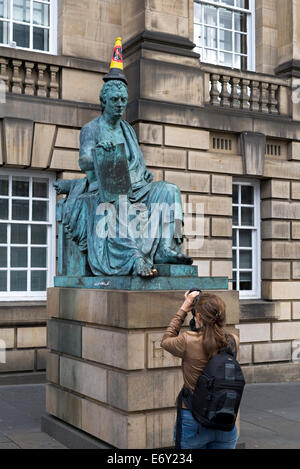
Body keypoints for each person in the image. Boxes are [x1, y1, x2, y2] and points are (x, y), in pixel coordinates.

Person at [54, 38, 192, 279]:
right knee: (119, 202)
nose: (119, 105)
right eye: (114, 100)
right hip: (106, 188)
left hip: (136, 186)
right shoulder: (92, 129)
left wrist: (144, 174)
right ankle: (134, 258)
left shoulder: (128, 129)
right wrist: (99, 152)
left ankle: (165, 248)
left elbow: (136, 163)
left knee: (170, 190)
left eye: (122, 100)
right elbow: (83, 161)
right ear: (104, 101)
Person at [161, 291, 240, 450]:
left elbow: (166, 340)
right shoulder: (233, 340)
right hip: (224, 421)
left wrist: (184, 307)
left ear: (198, 317)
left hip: (193, 419)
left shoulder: (188, 340)